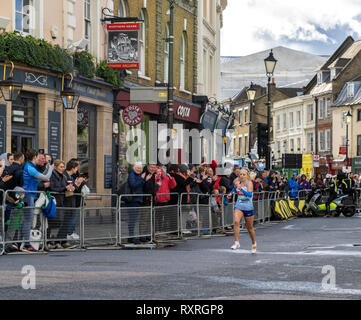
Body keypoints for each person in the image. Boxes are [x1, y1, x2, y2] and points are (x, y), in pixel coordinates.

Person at [21, 149, 54, 253]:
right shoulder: (30, 167)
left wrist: (47, 168)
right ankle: (26, 244)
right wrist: (51, 168)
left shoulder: (31, 167)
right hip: (28, 195)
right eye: (38, 156)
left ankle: (21, 243)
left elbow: (40, 178)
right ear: (34, 157)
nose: (39, 158)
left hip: (30, 194)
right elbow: (45, 177)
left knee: (27, 220)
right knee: (28, 220)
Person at [229, 167, 257, 254]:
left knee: (250, 228)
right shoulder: (237, 183)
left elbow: (249, 195)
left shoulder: (249, 184)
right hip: (239, 206)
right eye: (240, 174)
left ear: (247, 175)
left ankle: (253, 243)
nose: (242, 176)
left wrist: (241, 189)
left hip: (248, 207)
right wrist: (230, 193)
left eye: (243, 174)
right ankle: (236, 242)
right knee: (236, 222)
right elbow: (234, 189)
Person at [49, 160, 76, 249]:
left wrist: (71, 188)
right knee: (54, 222)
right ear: (55, 167)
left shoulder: (64, 177)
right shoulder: (52, 175)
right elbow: (53, 188)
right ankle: (50, 241)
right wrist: (64, 188)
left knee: (62, 222)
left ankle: (60, 241)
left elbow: (65, 188)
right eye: (61, 167)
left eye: (63, 167)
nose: (62, 169)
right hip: (54, 201)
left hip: (63, 201)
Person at [127, 163, 147, 244]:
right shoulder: (132, 174)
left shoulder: (138, 175)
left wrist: (145, 180)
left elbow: (141, 186)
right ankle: (131, 237)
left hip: (137, 200)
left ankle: (131, 237)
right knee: (132, 219)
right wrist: (142, 179)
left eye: (140, 168)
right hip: (133, 200)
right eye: (137, 168)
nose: (139, 169)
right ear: (134, 168)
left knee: (134, 219)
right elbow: (133, 185)